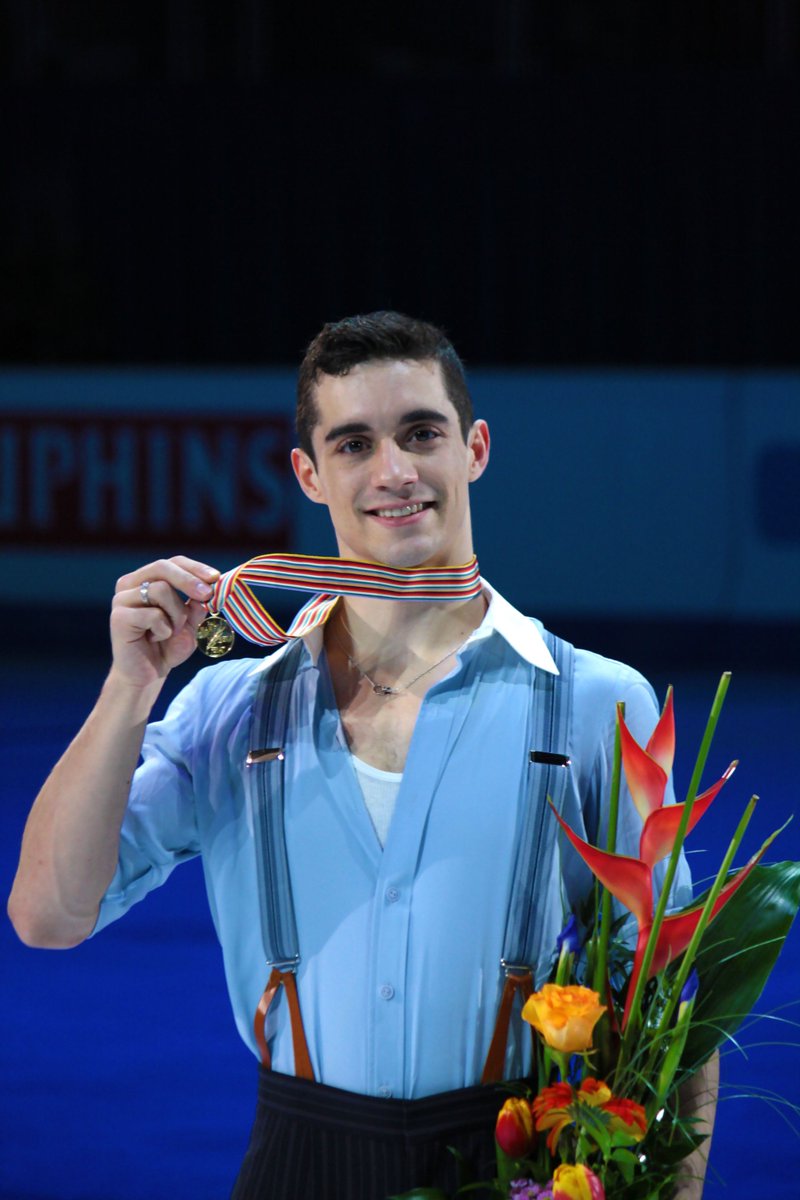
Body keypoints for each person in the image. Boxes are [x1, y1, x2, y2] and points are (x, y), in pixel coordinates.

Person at [8, 312, 714, 1198]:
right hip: (296, 1164)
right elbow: (48, 914)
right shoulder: (231, 708)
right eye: (353, 444)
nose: (394, 472)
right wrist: (130, 688)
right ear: (309, 473)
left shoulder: (594, 700)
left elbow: (674, 997)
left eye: (421, 433)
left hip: (512, 1163)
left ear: (476, 449)